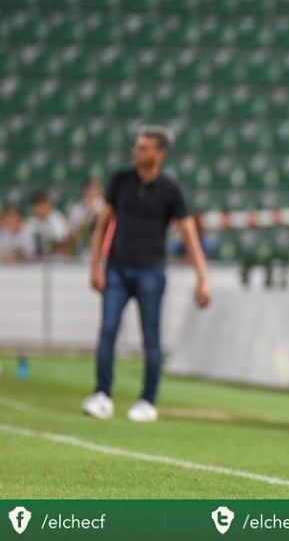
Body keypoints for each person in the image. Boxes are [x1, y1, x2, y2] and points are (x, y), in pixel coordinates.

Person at [81, 127, 211, 423]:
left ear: (159, 153)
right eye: (136, 147)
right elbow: (102, 224)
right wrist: (96, 265)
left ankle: (147, 401)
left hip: (151, 272)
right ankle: (102, 394)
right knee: (108, 330)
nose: (136, 152)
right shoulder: (120, 181)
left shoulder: (170, 190)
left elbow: (189, 234)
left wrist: (202, 277)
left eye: (143, 148)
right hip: (116, 268)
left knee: (151, 337)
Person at [28, 190, 68, 256]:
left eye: (43, 203)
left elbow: (63, 243)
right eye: (37, 205)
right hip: (38, 260)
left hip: (59, 261)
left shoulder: (58, 220)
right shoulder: (32, 222)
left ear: (48, 204)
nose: (40, 208)